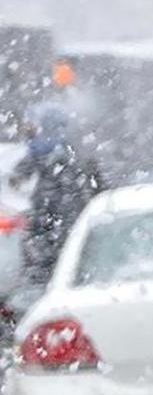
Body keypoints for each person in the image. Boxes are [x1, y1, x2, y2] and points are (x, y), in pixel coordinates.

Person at [9, 102, 106, 285]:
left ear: (45, 126)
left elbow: (20, 175)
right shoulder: (60, 151)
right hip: (60, 217)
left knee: (49, 259)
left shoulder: (48, 153)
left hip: (54, 218)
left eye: (33, 124)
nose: (28, 129)